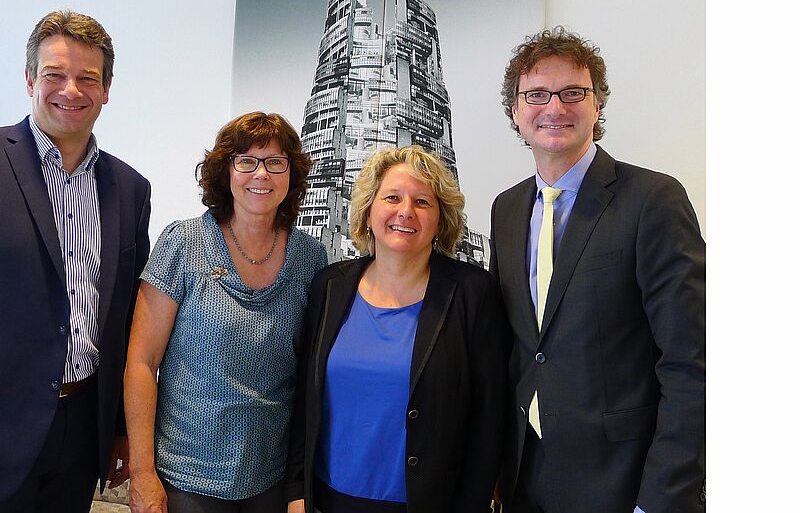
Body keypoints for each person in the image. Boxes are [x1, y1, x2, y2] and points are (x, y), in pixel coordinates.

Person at [0, 9, 151, 513]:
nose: (71, 90)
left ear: (107, 89)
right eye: (55, 75)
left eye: (88, 78)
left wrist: (121, 429)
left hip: (82, 436)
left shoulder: (130, 189)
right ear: (30, 79)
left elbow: (125, 319)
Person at [489, 27, 705, 513]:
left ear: (597, 105)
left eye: (573, 93)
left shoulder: (652, 200)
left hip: (623, 484)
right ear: (516, 110)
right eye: (537, 94)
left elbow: (692, 363)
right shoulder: (506, 208)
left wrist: (662, 499)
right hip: (526, 476)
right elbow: (518, 350)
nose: (555, 107)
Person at [286, 145, 509, 513]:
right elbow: (304, 401)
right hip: (328, 499)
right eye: (392, 197)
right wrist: (297, 490)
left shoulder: (472, 293)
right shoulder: (330, 285)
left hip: (426, 503)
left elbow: (489, 421)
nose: (406, 211)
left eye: (423, 202)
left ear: (441, 221)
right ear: (369, 211)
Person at [124, 111, 327, 513]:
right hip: (186, 478)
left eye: (275, 162)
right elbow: (142, 362)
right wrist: (143, 472)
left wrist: (301, 482)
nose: (261, 174)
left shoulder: (310, 258)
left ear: (291, 174)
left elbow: (310, 377)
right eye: (246, 161)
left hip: (271, 476)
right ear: (225, 171)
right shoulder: (183, 243)